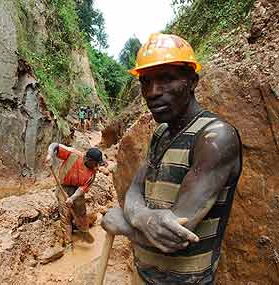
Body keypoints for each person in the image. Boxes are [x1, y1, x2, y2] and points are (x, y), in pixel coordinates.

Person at [101, 33, 242, 284]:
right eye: (146, 82)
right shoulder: (161, 133)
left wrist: (124, 224)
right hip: (144, 275)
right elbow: (135, 189)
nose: (152, 92)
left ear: (192, 81)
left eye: (166, 79)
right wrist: (144, 217)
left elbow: (175, 236)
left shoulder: (216, 138)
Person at [45, 143, 105, 247]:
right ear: (88, 160)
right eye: (95, 163)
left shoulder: (92, 173)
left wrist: (72, 198)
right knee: (65, 214)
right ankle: (68, 242)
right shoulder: (73, 155)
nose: (97, 166)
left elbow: (82, 189)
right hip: (63, 186)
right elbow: (54, 145)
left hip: (77, 191)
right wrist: (50, 155)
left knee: (81, 212)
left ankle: (84, 231)